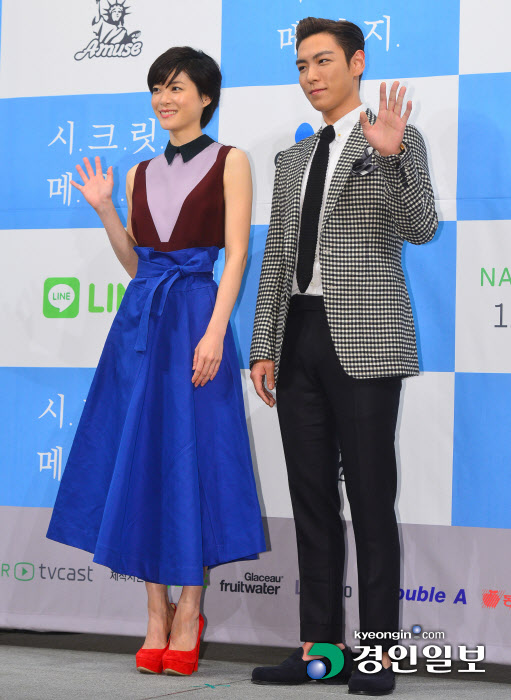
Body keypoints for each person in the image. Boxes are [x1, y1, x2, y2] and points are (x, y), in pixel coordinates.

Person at [46, 45, 266, 677]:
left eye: (176, 87)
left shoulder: (231, 161)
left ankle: (190, 611)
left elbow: (236, 254)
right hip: (141, 324)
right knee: (142, 458)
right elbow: (138, 265)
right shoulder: (139, 173)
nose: (164, 98)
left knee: (193, 458)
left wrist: (217, 331)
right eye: (157, 88)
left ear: (205, 97)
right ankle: (154, 613)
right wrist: (107, 211)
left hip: (197, 319)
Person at [249, 17, 438, 696]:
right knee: (310, 500)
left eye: (323, 61)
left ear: (357, 63)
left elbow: (421, 227)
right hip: (297, 335)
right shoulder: (292, 160)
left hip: (366, 338)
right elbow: (277, 259)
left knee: (369, 498)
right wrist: (264, 346)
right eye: (301, 65)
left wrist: (390, 157)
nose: (311, 76)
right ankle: (320, 649)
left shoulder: (395, 138)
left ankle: (379, 653)